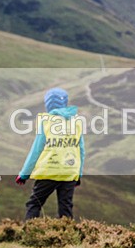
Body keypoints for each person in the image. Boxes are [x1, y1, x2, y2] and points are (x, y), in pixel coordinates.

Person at [15, 88, 85, 220]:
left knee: (34, 204)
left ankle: (29, 235)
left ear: (48, 104)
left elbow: (36, 150)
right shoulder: (76, 122)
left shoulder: (46, 122)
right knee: (66, 208)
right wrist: (78, 175)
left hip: (48, 171)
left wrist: (24, 174)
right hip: (69, 173)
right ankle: (68, 237)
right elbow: (81, 150)